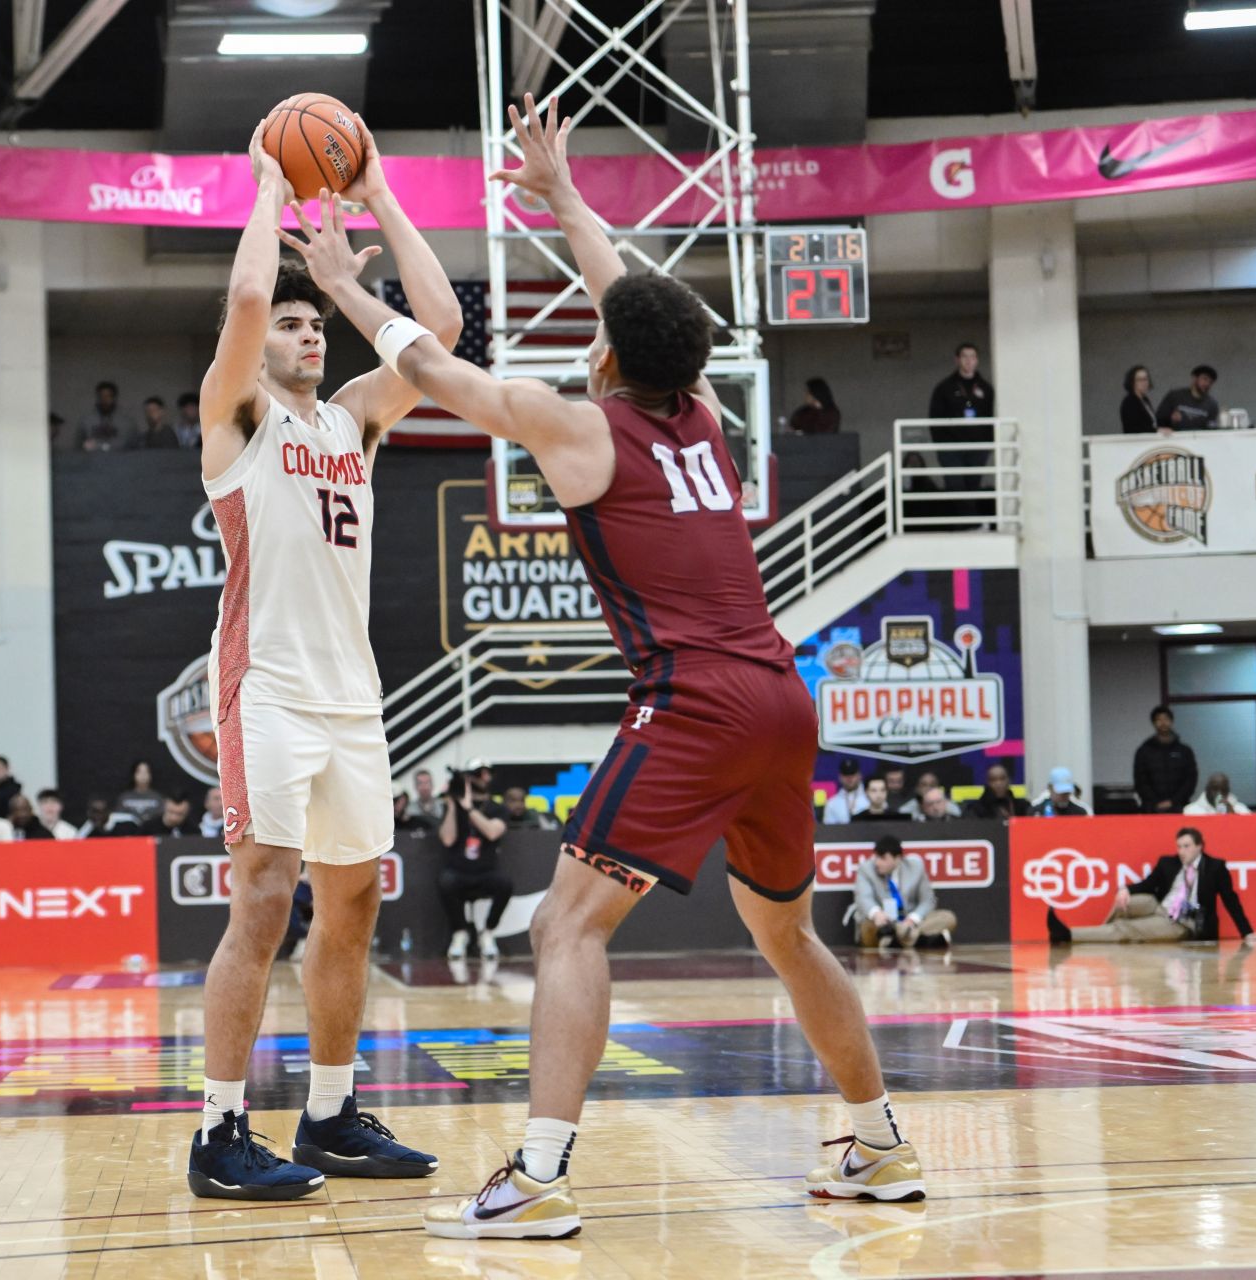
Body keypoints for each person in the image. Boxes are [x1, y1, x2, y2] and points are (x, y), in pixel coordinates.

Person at [281, 93, 924, 1235]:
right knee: (785, 928)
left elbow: (437, 370)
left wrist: (340, 282)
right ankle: (877, 1142)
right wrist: (566, 196)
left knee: (563, 929)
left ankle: (536, 1174)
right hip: (783, 697)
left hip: (696, 702)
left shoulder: (580, 424)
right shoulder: (706, 416)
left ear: (612, 352)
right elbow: (632, 296)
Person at [186, 107, 462, 1202]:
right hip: (270, 687)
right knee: (264, 900)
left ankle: (334, 1112)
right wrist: (267, 184)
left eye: (317, 328)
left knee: (354, 906)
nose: (308, 335)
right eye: (294, 328)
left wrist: (381, 194)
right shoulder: (236, 417)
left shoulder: (353, 418)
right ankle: (217, 1132)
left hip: (355, 696)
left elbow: (438, 330)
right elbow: (249, 302)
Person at [1047, 827, 1256, 944]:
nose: (1182, 851)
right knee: (1127, 903)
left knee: (1125, 928)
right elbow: (1148, 884)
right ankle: (1105, 933)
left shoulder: (1215, 867)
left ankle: (1068, 935)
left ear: (1199, 846)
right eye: (1179, 846)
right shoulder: (1168, 863)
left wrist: (1247, 932)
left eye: (1187, 846)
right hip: (1159, 906)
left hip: (1182, 921)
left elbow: (1231, 899)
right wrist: (1125, 890)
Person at [438, 763, 513, 960]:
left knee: (505, 884)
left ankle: (487, 931)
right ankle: (460, 932)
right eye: (477, 774)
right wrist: (453, 806)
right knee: (445, 881)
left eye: (486, 773)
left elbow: (492, 831)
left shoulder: (497, 808)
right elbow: (447, 839)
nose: (483, 777)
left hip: (486, 871)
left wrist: (469, 809)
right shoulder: (455, 806)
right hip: (459, 870)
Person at [853, 836, 955, 949]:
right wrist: (877, 914)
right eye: (876, 857)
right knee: (868, 927)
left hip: (908, 923)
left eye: (882, 858)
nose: (877, 862)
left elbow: (928, 900)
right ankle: (918, 940)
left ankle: (895, 942)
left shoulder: (916, 867)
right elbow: (863, 898)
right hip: (882, 924)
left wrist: (912, 919)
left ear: (898, 858)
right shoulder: (866, 869)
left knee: (948, 917)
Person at [926, 341, 994, 498]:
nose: (969, 361)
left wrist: (988, 444)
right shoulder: (944, 388)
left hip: (977, 447)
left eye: (972, 357)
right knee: (955, 485)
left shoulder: (986, 388)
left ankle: (970, 522)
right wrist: (942, 445)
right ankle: (969, 522)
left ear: (977, 360)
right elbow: (934, 417)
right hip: (951, 447)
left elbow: (990, 415)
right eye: (965, 357)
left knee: (973, 485)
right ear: (957, 360)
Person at [1134, 705, 1199, 814]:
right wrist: (1155, 802)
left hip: (1180, 806)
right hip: (1151, 809)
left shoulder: (1184, 751)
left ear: (1171, 721)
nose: (1163, 723)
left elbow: (1190, 780)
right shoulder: (1143, 751)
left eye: (1166, 719)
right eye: (1159, 719)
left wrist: (1173, 801)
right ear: (1154, 723)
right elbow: (1140, 781)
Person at [1154, 365, 1219, 431]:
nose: (1207, 384)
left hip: (1199, 439)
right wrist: (1170, 419)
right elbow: (1158, 420)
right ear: (1194, 378)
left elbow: (1211, 429)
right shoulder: (1175, 396)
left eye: (1210, 382)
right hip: (1175, 439)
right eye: (1205, 379)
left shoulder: (1212, 404)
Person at [81, 381, 135, 451]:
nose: (104, 400)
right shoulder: (86, 421)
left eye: (108, 396)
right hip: (93, 460)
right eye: (101, 396)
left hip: (120, 460)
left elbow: (124, 444)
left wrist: (99, 446)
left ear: (114, 398)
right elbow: (80, 447)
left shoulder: (126, 422)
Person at [820, 759, 867, 825]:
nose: (849, 778)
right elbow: (829, 831)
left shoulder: (870, 796)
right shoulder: (832, 803)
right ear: (840, 777)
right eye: (846, 774)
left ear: (859, 775)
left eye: (852, 773)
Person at [1119, 366, 1161, 434]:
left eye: (1145, 379)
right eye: (1139, 380)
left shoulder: (1145, 400)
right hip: (1137, 442)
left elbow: (1152, 423)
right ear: (1132, 382)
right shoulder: (1129, 402)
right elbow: (1134, 428)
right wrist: (1157, 431)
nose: (1144, 382)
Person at [1185, 772, 1251, 815]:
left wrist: (1233, 815)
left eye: (1223, 790)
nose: (1219, 793)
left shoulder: (1241, 810)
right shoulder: (1191, 811)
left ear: (1228, 791)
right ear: (1207, 789)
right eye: (1215, 789)